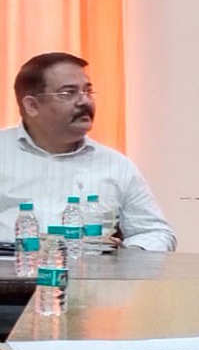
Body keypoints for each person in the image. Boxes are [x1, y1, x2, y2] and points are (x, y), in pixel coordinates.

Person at [0, 52, 175, 251]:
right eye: (68, 93)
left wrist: (130, 254)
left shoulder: (116, 165)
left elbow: (155, 232)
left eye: (88, 91)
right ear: (32, 105)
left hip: (90, 270)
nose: (84, 102)